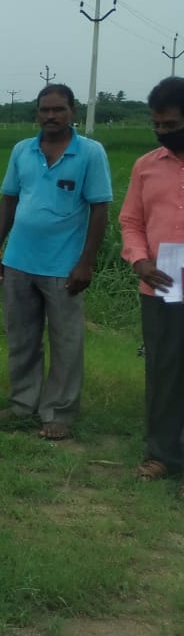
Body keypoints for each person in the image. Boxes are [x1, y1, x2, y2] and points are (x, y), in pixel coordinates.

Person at [0, 83, 112, 440]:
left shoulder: (89, 153)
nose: (51, 116)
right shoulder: (22, 150)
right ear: (37, 113)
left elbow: (100, 208)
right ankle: (22, 403)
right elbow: (8, 201)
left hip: (63, 265)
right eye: (44, 109)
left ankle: (58, 413)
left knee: (66, 342)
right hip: (19, 261)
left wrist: (86, 262)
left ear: (72, 111)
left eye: (58, 109)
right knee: (21, 337)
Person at [118, 76, 184, 490]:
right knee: (163, 370)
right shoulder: (146, 165)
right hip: (161, 284)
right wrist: (139, 260)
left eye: (171, 125)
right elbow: (131, 221)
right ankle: (162, 454)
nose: (162, 132)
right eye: (157, 124)